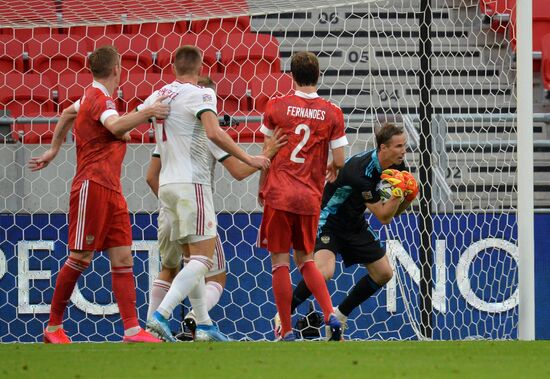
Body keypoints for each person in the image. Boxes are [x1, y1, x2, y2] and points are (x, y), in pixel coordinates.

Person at [28, 45, 170, 344]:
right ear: (117, 68)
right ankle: (53, 328)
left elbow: (68, 113)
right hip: (92, 186)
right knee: (80, 256)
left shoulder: (89, 98)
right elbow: (115, 124)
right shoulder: (99, 97)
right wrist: (146, 112)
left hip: (111, 188)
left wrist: (55, 148)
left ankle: (132, 330)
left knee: (122, 257)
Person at [144, 46, 270, 342]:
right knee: (204, 259)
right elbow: (215, 133)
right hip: (193, 186)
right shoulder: (202, 95)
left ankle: (203, 324)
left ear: (172, 66)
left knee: (185, 262)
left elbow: (133, 125)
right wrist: (253, 158)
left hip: (166, 188)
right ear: (201, 69)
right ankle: (161, 315)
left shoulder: (160, 97)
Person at [276, 122, 419, 340]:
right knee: (324, 272)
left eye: (404, 145)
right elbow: (383, 217)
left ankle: (340, 316)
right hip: (328, 220)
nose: (403, 151)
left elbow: (394, 213)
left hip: (354, 223)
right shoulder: (361, 172)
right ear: (383, 148)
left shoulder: (399, 168)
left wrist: (407, 198)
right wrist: (399, 194)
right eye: (398, 146)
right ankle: (283, 315)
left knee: (384, 273)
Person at [257, 51, 349, 341]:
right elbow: (341, 159)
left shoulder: (276, 107)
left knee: (280, 263)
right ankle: (329, 315)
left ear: (292, 76)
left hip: (280, 193)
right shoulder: (332, 111)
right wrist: (332, 166)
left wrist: (263, 185)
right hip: (309, 197)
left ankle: (285, 329)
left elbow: (267, 152)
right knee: (307, 260)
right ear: (318, 76)